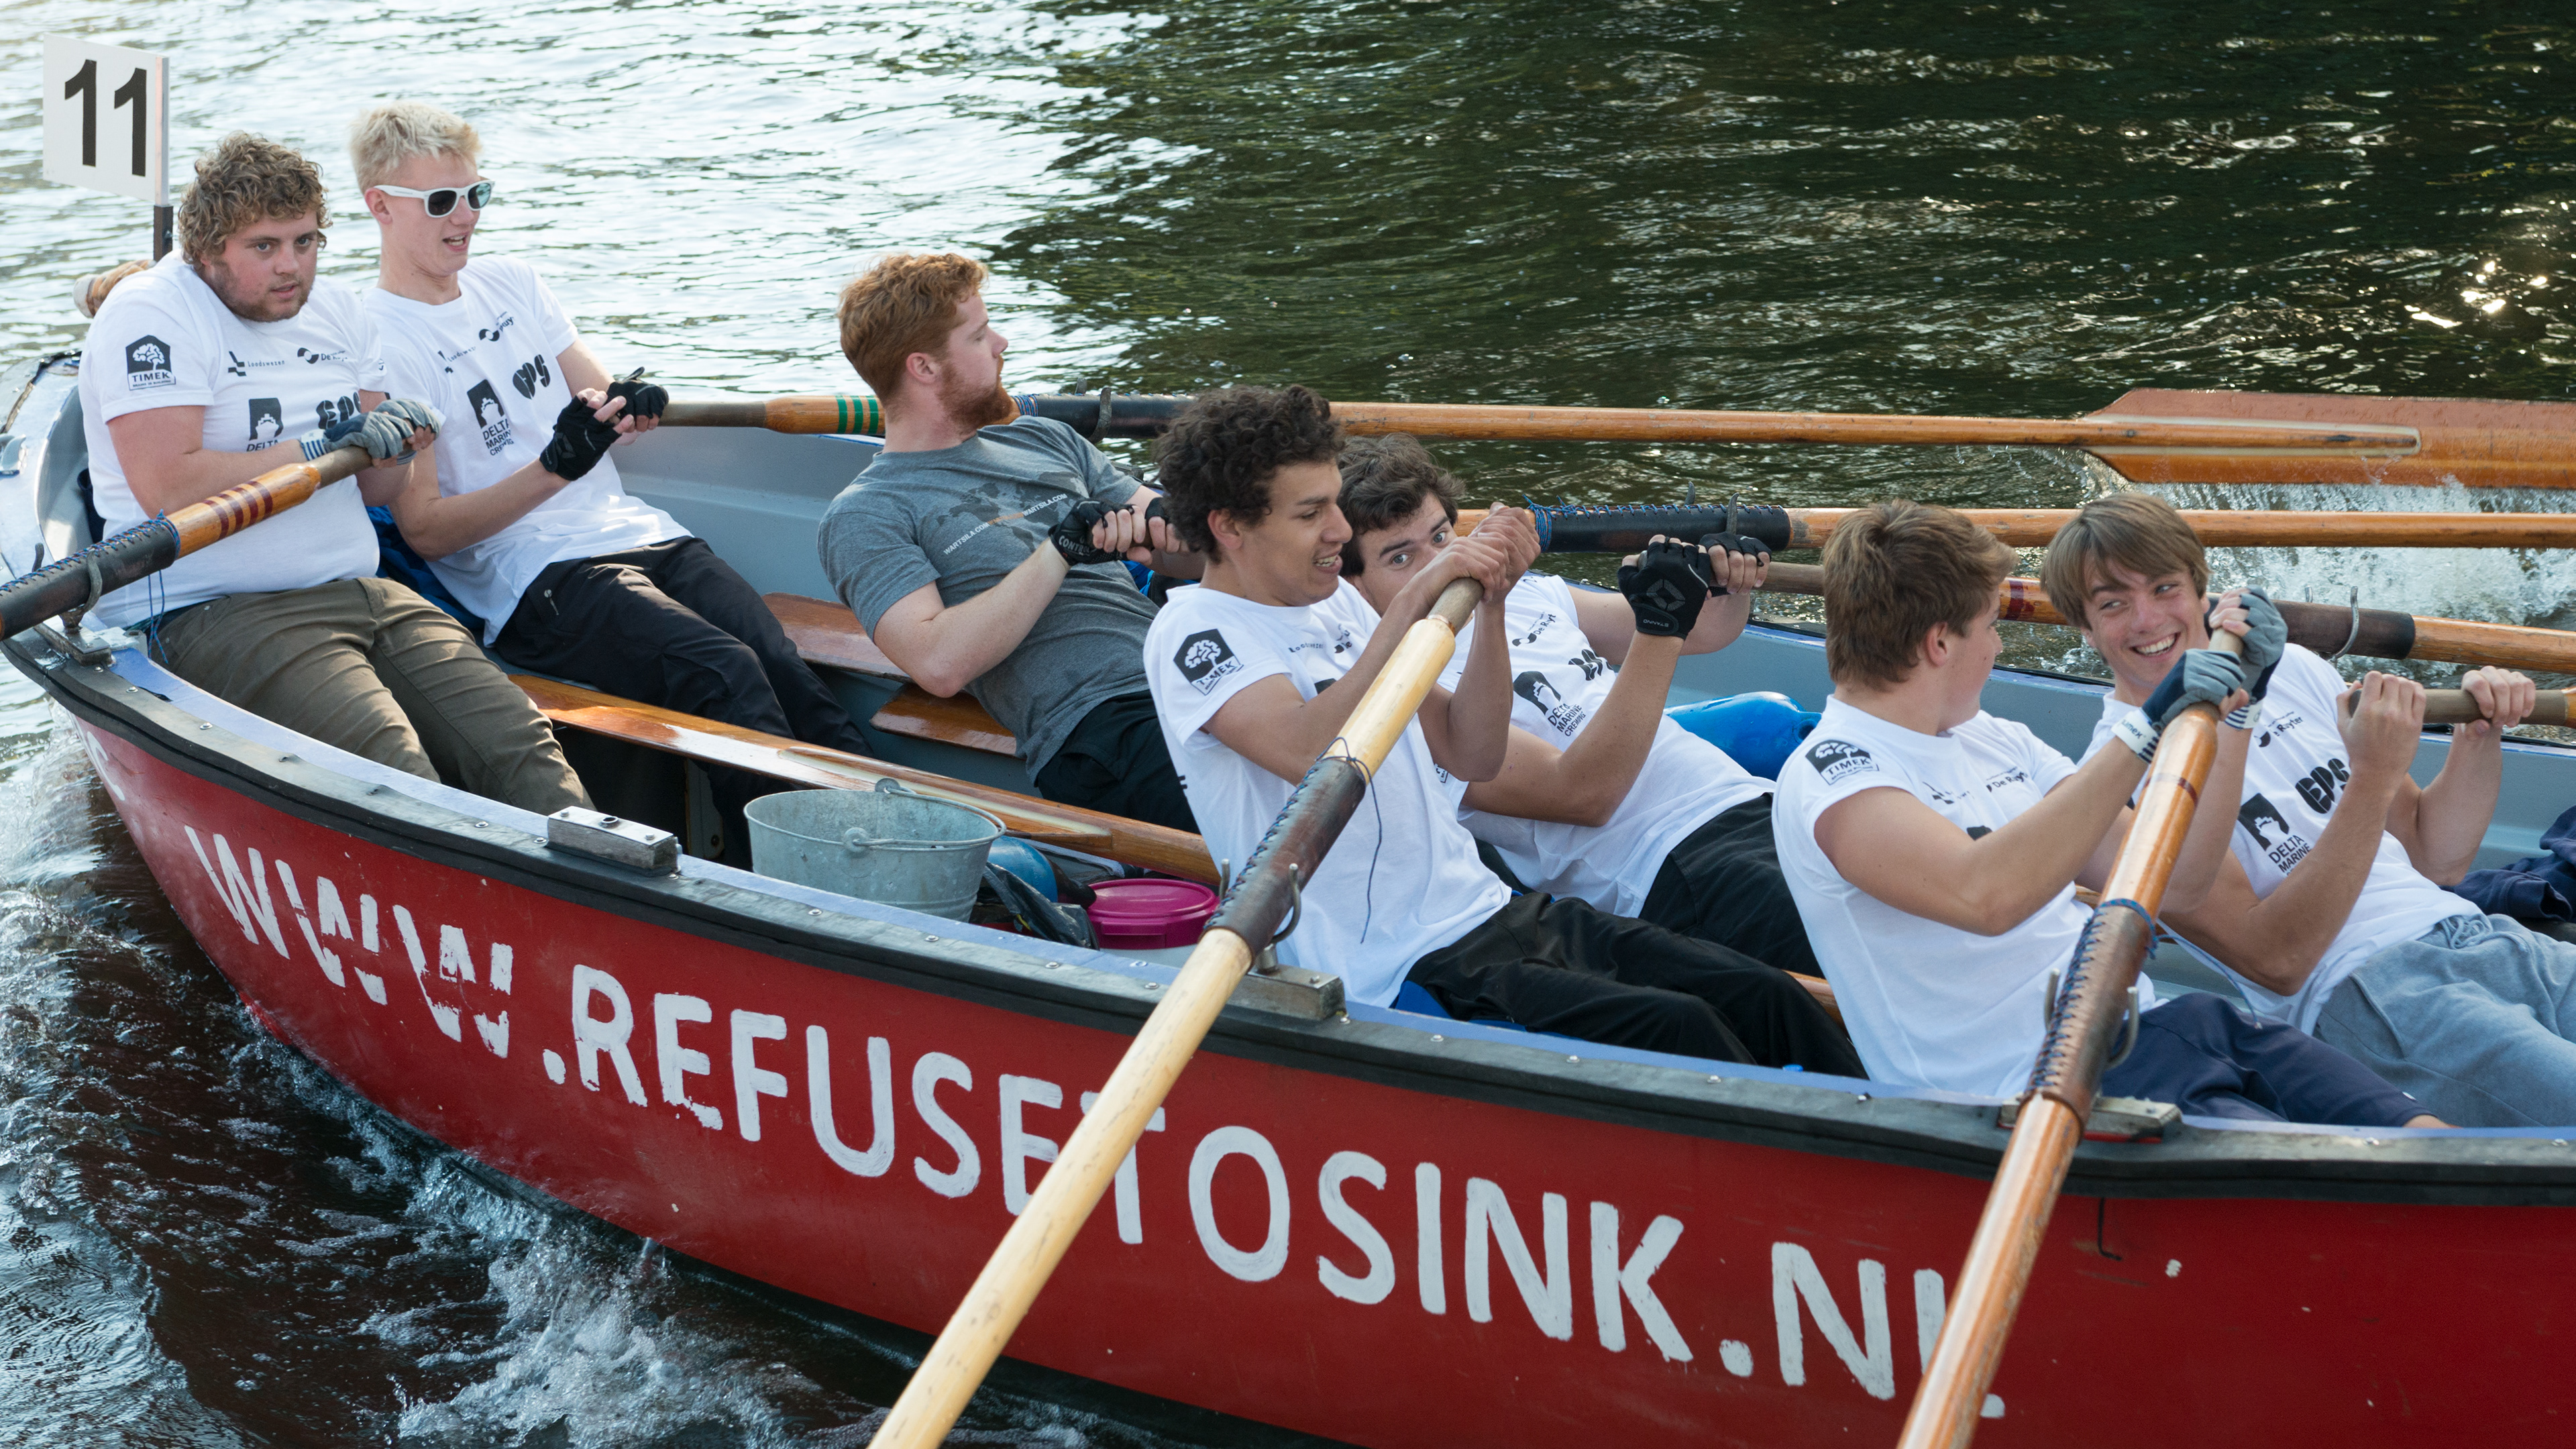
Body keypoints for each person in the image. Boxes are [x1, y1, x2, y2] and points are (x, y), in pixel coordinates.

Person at [1144, 384, 1860, 1072]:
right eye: (1311, 514)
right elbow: (1307, 751)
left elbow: (1472, 751)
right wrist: (1415, 604)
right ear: (1230, 528)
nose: (1338, 530)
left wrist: (1489, 607)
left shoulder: (1337, 606)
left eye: (1334, 503)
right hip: (1387, 963)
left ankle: (1911, 1144)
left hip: (1486, 910)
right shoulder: (1195, 631)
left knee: (1764, 996)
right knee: (1680, 1026)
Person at [1773, 500, 2439, 1127]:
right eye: (1991, 626)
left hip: (2160, 1025)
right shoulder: (1834, 774)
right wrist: (2146, 728)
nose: (1997, 649)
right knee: (2374, 1175)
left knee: (2427, 1133)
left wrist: (2241, 707)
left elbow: (2178, 882)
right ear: (1940, 644)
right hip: (2041, 1089)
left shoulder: (1998, 738)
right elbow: (1984, 896)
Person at [350, 101, 865, 857]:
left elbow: (599, 396)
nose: (465, 217)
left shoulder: (514, 282)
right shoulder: (379, 340)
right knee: (724, 670)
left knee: (778, 659)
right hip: (534, 576)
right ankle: (799, 872)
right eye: (441, 201)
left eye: (476, 194)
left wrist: (633, 402)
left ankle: (896, 841)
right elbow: (425, 530)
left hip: (636, 531)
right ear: (380, 207)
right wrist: (554, 469)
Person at [76, 131, 586, 816]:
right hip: (212, 607)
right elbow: (168, 488)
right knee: (395, 768)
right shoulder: (153, 311)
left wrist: (399, 450)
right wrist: (323, 446)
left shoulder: (342, 312)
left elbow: (377, 489)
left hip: (361, 591)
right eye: (264, 247)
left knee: (523, 747)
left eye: (305, 242)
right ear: (205, 251)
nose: (291, 267)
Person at [2047, 492, 2574, 1127]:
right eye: (2113, 604)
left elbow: (2435, 857)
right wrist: (2372, 777)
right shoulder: (2117, 777)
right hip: (2373, 995)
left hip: (2486, 937)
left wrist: (2481, 733)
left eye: (2165, 588)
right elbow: (2279, 962)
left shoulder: (2292, 668)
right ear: (2083, 628)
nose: (2147, 619)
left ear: (2201, 591)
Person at [1336, 435, 1816, 975]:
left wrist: (1729, 583)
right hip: (1667, 868)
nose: (1447, 565)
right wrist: (1661, 621)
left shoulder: (1527, 593)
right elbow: (1586, 795)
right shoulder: (1402, 691)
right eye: (1402, 558)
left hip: (1754, 802)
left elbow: (1705, 631)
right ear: (1352, 586)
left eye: (1442, 537)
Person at [817, 253, 1201, 831]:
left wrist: (1181, 532)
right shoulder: (866, 513)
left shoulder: (1046, 438)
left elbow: (1192, 553)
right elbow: (939, 664)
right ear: (924, 367)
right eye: (979, 335)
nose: (1002, 344)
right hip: (1105, 728)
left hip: (1198, 672)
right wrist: (1059, 552)